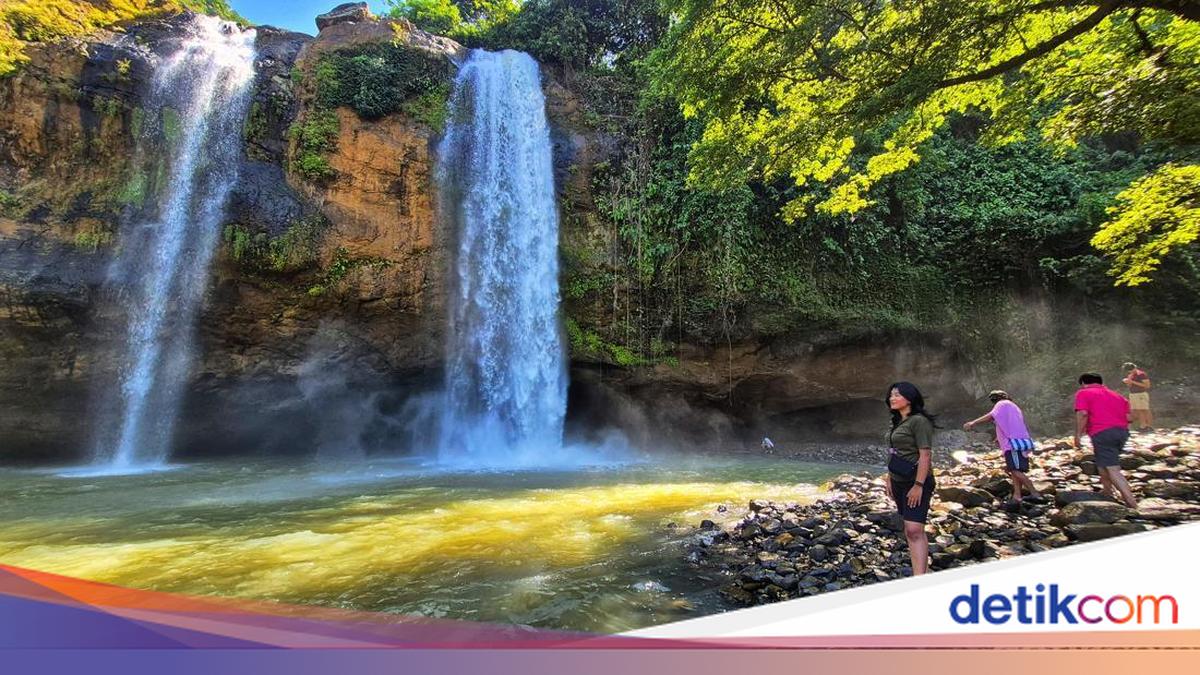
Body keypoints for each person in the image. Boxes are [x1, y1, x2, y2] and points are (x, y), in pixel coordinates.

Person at [882, 382, 936, 575]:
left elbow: (925, 455)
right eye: (891, 395)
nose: (892, 398)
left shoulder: (919, 421)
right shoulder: (896, 422)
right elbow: (893, 452)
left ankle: (920, 578)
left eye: (897, 395)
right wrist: (889, 478)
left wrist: (919, 485)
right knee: (909, 526)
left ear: (910, 398)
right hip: (898, 480)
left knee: (914, 529)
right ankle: (921, 569)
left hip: (916, 481)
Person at [963, 390, 1045, 506]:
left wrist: (973, 423)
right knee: (1014, 470)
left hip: (1013, 444)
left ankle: (1034, 492)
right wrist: (998, 437)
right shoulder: (1012, 407)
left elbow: (991, 416)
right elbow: (1008, 423)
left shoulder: (1002, 404)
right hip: (1016, 442)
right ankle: (1017, 496)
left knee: (1015, 470)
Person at [1074, 372, 1138, 508]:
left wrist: (1078, 435)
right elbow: (1130, 418)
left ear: (1083, 383)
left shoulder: (1084, 393)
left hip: (1102, 432)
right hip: (1122, 432)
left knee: (1113, 468)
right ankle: (1107, 491)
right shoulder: (1118, 396)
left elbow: (1083, 414)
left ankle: (1132, 503)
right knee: (1103, 463)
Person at [1121, 362, 1153, 431]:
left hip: (1141, 394)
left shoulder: (1141, 374)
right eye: (1129, 371)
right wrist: (1128, 382)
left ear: (1134, 368)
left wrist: (1132, 382)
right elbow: (1130, 385)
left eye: (1131, 370)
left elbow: (1147, 385)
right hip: (1133, 394)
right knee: (1138, 410)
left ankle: (1149, 426)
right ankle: (1143, 426)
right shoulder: (1131, 375)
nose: (1130, 372)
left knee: (1145, 410)